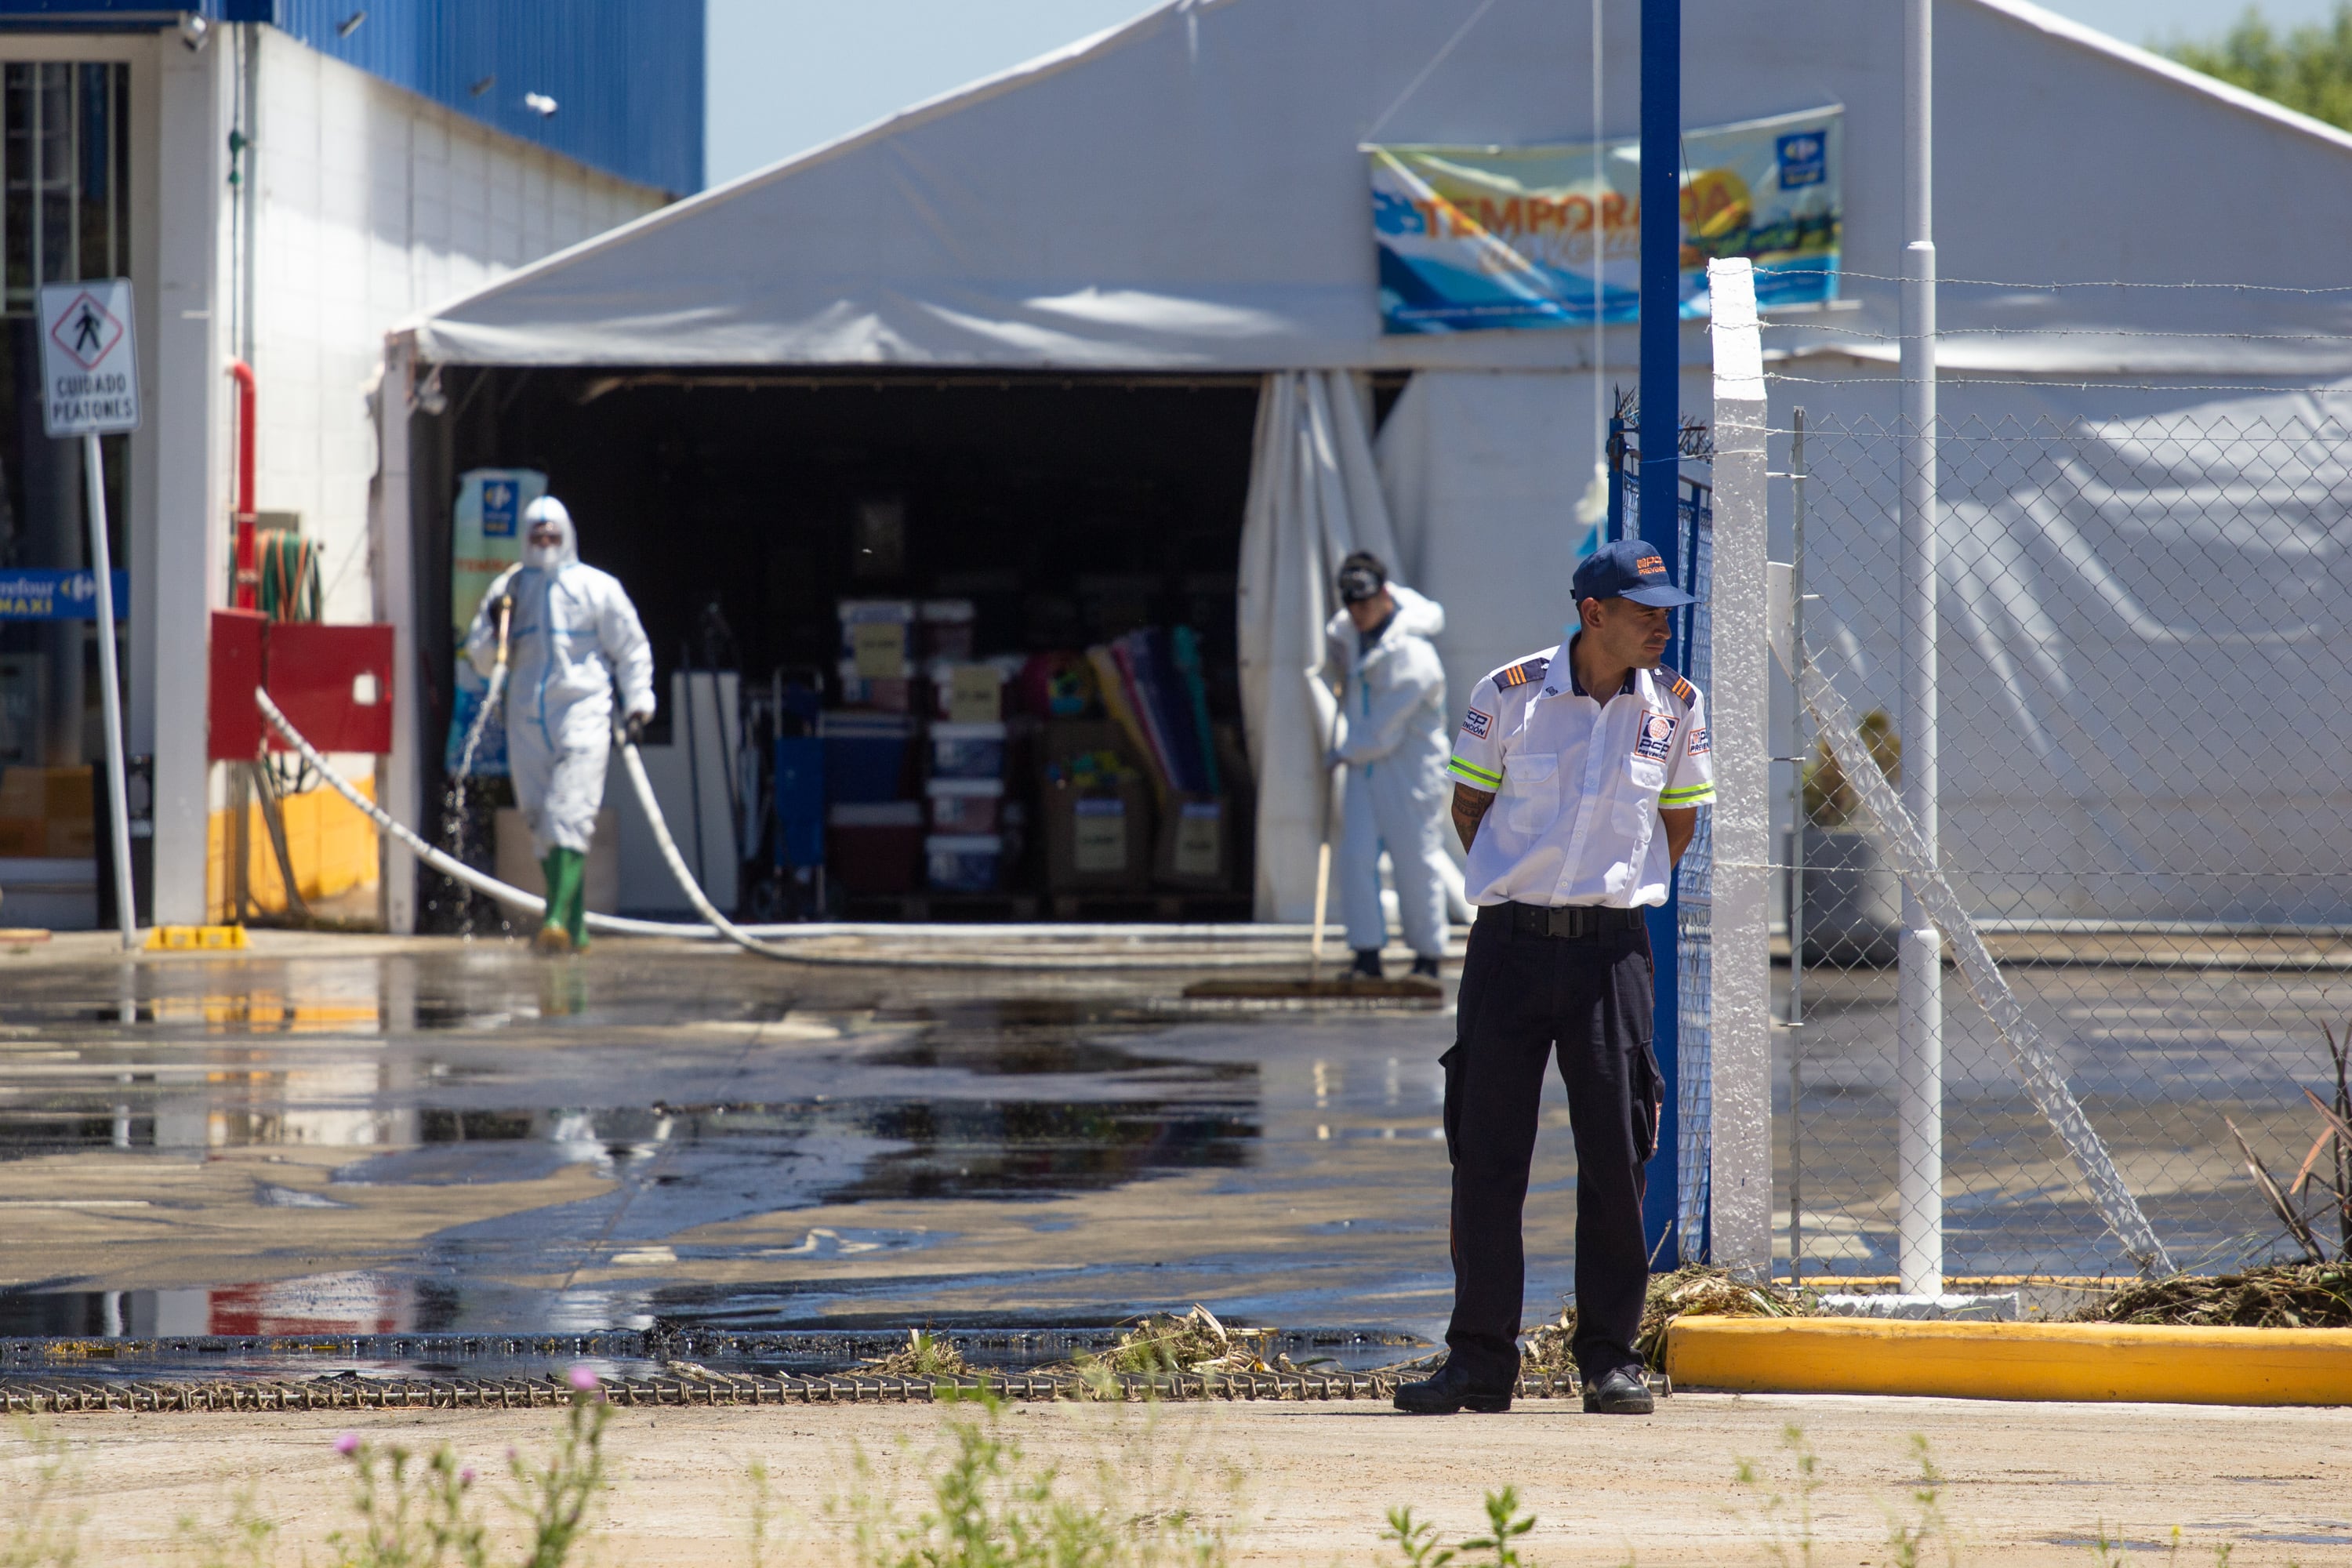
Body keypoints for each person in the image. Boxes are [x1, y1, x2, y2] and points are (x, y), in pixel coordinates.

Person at [1393, 536, 1713, 1418]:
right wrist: (1531, 889)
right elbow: (1471, 809)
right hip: (1510, 947)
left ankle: (1609, 1359)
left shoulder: (1678, 708)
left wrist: (1605, 890)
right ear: (1593, 614)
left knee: (1617, 1154)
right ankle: (1479, 1361)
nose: (1661, 627)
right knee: (1488, 1156)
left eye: (1667, 612)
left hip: (1613, 954)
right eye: (1645, 611)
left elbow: (1677, 822)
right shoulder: (1508, 696)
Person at [465, 495, 655, 954]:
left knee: (571, 814)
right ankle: (575, 926)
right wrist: (493, 627)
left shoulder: (598, 588)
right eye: (537, 536)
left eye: (553, 535)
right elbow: (481, 658)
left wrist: (638, 704)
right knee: (540, 820)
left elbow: (631, 648)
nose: (545, 543)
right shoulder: (509, 590)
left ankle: (553, 917)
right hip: (527, 719)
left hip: (583, 713)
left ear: (567, 535)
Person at [1322, 551, 1452, 980]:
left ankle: (1427, 957)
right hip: (1364, 765)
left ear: (1384, 595)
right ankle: (1365, 955)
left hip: (1409, 768)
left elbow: (1385, 729)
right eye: (1351, 604)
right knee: (1355, 857)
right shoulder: (1347, 634)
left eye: (1365, 603)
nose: (1358, 613)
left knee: (1414, 858)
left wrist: (1343, 752)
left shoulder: (1414, 652)